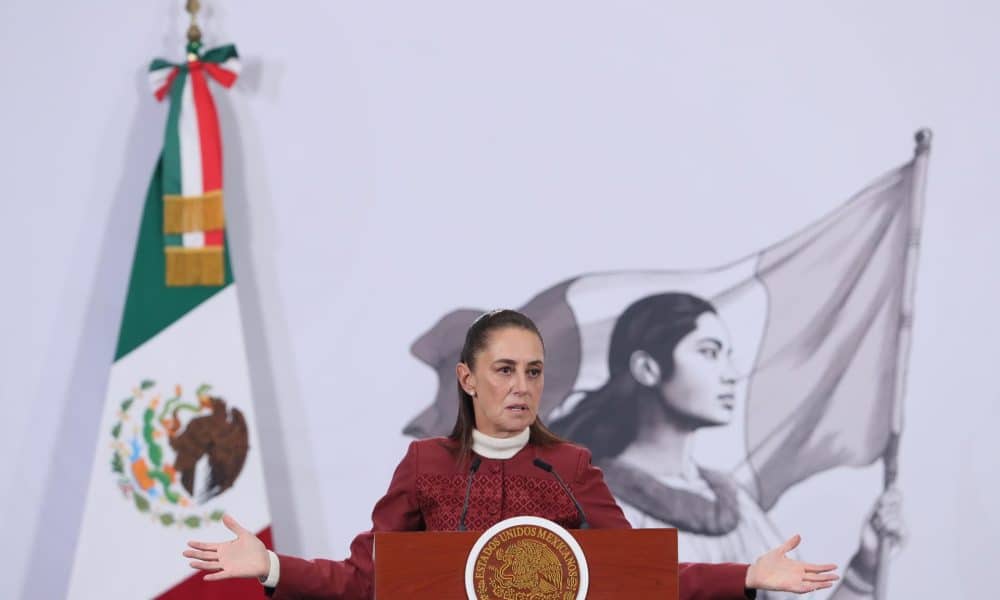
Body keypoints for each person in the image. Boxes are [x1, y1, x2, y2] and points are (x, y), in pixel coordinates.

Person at [183, 309, 840, 599]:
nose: (521, 386)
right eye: (504, 369)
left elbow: (635, 579)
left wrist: (745, 577)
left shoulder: (573, 467)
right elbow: (369, 580)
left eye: (533, 371)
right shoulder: (425, 468)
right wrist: (270, 564)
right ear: (468, 379)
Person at [549, 293, 904, 599]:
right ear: (647, 368)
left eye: (727, 355)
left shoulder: (738, 508)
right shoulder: (593, 505)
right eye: (709, 352)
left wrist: (863, 569)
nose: (731, 373)